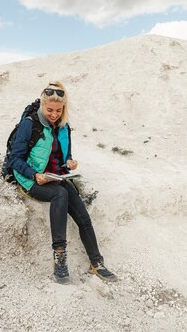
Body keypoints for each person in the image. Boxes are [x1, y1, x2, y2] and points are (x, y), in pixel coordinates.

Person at [10, 81, 117, 284]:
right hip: (31, 178)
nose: (54, 114)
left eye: (59, 110)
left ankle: (97, 262)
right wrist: (34, 175)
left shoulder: (64, 127)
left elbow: (64, 155)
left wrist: (70, 162)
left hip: (57, 176)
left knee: (82, 214)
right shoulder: (29, 124)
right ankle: (60, 259)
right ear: (42, 105)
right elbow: (15, 159)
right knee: (61, 194)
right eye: (50, 110)